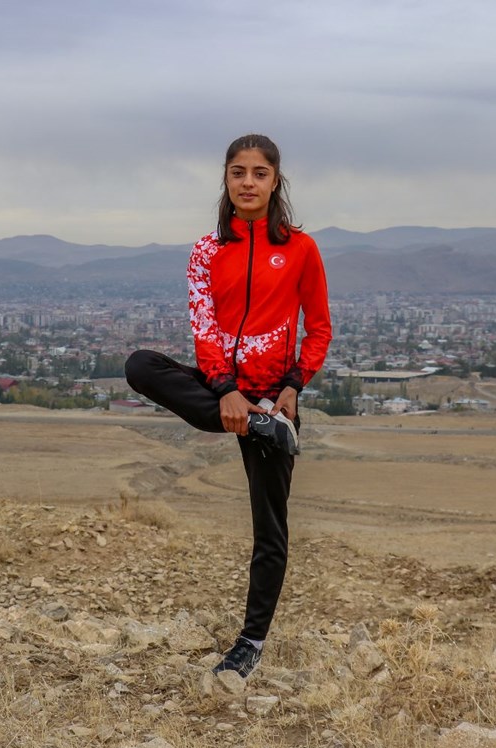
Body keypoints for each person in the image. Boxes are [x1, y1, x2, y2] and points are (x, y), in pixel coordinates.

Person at [125, 133, 332, 678]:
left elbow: (319, 328)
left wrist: (294, 385)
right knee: (140, 365)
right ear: (226, 178)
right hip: (226, 389)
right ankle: (252, 424)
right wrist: (225, 390)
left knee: (270, 530)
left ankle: (251, 644)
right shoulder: (206, 251)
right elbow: (206, 329)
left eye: (259, 173)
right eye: (238, 172)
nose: (248, 182)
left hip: (274, 398)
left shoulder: (301, 249)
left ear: (276, 181)